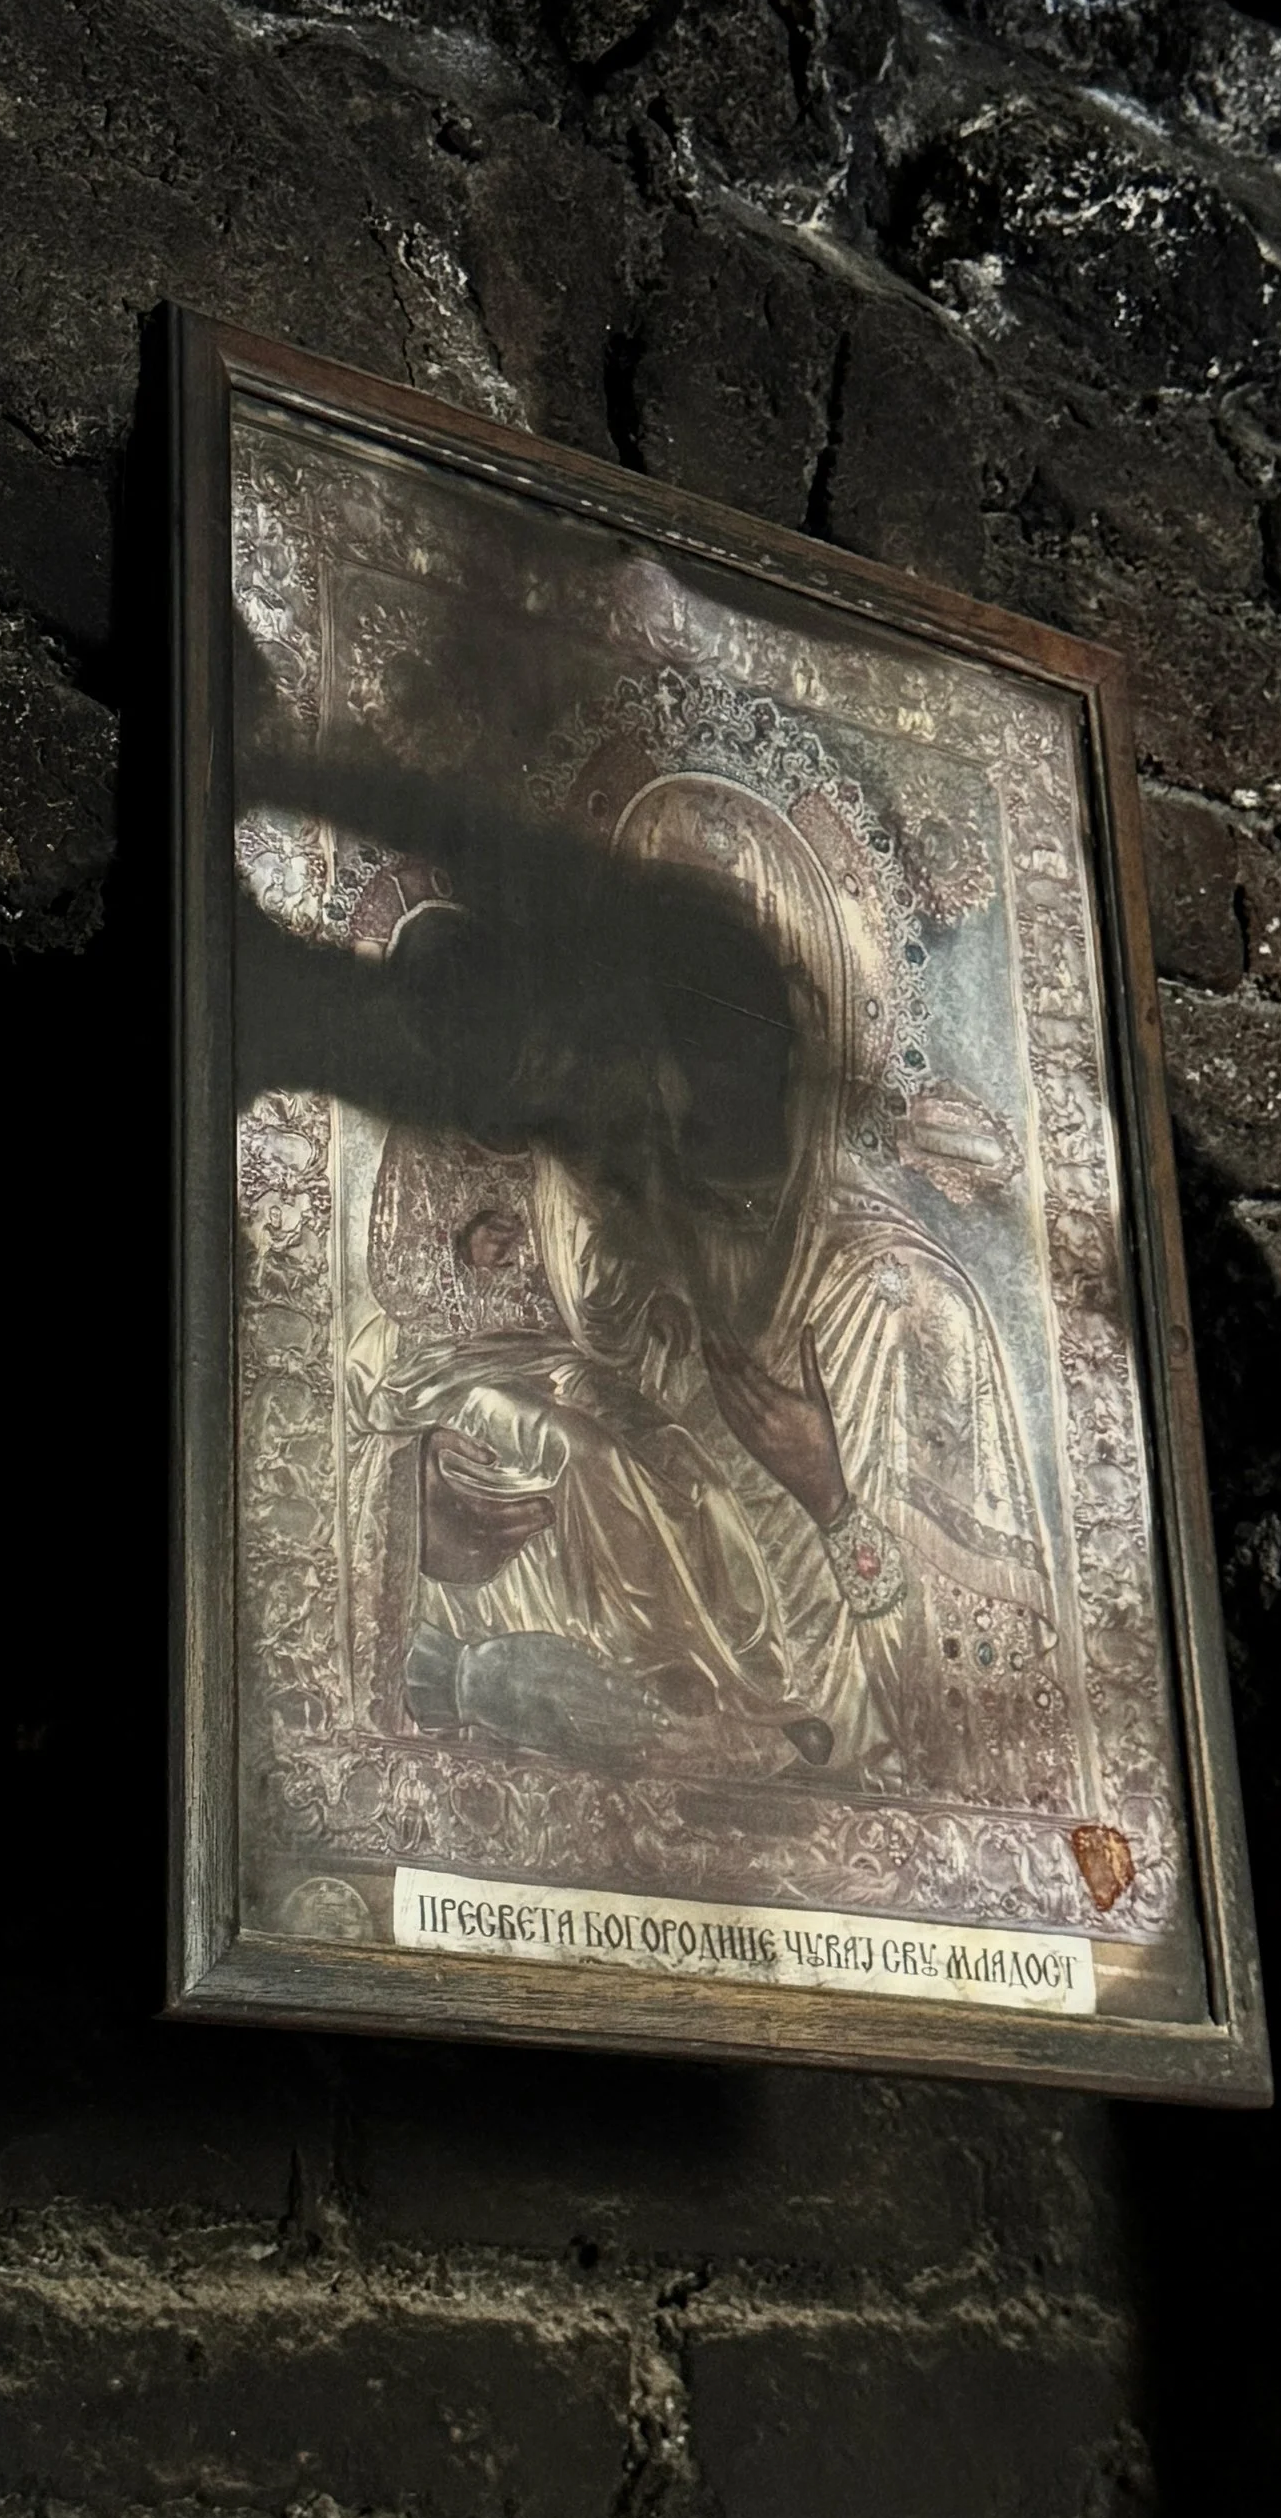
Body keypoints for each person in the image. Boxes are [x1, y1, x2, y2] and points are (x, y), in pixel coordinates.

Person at [345, 769, 1080, 1809]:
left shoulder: (909, 1309)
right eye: (644, 1015)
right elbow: (412, 1398)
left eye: (719, 1021)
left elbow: (1003, 1754)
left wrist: (829, 1500)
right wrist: (423, 1517)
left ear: (807, 1032)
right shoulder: (595, 1250)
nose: (674, 1069)